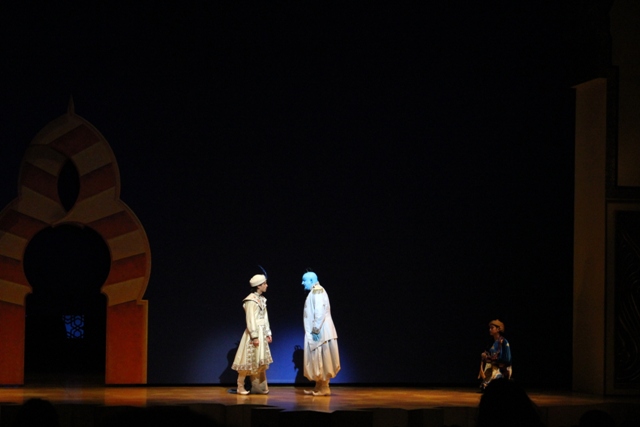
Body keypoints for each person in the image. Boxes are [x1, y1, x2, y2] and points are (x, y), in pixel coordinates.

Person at [231, 274, 273, 395]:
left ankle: (259, 387)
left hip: (262, 331)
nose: (266, 285)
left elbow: (265, 318)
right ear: (258, 286)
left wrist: (268, 332)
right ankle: (240, 386)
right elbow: (250, 319)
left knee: (259, 360)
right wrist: (254, 336)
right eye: (264, 284)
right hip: (253, 332)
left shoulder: (262, 299)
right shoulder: (251, 300)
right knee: (247, 359)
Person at [301, 271, 340, 396]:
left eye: (304, 280)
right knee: (317, 358)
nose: (302, 283)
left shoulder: (317, 291)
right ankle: (318, 386)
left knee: (322, 357)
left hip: (322, 330)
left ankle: (324, 388)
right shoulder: (315, 291)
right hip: (319, 329)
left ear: (311, 280)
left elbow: (319, 311)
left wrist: (316, 329)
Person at [478, 319, 512, 392]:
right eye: (490, 328)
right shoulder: (492, 342)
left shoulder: (503, 342)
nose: (490, 330)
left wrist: (490, 358)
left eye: (492, 328)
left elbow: (507, 359)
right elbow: (489, 355)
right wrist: (485, 355)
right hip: (494, 367)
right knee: (483, 386)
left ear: (498, 329)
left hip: (502, 369)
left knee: (490, 387)